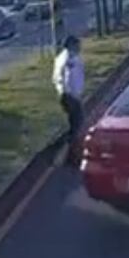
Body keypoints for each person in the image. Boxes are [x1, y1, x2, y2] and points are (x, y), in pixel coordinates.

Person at [53, 35, 85, 165]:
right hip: (70, 96)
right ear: (72, 45)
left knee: (75, 125)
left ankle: (69, 153)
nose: (80, 47)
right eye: (78, 45)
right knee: (77, 125)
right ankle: (69, 155)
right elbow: (67, 79)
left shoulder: (67, 57)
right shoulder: (68, 60)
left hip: (70, 95)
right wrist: (72, 95)